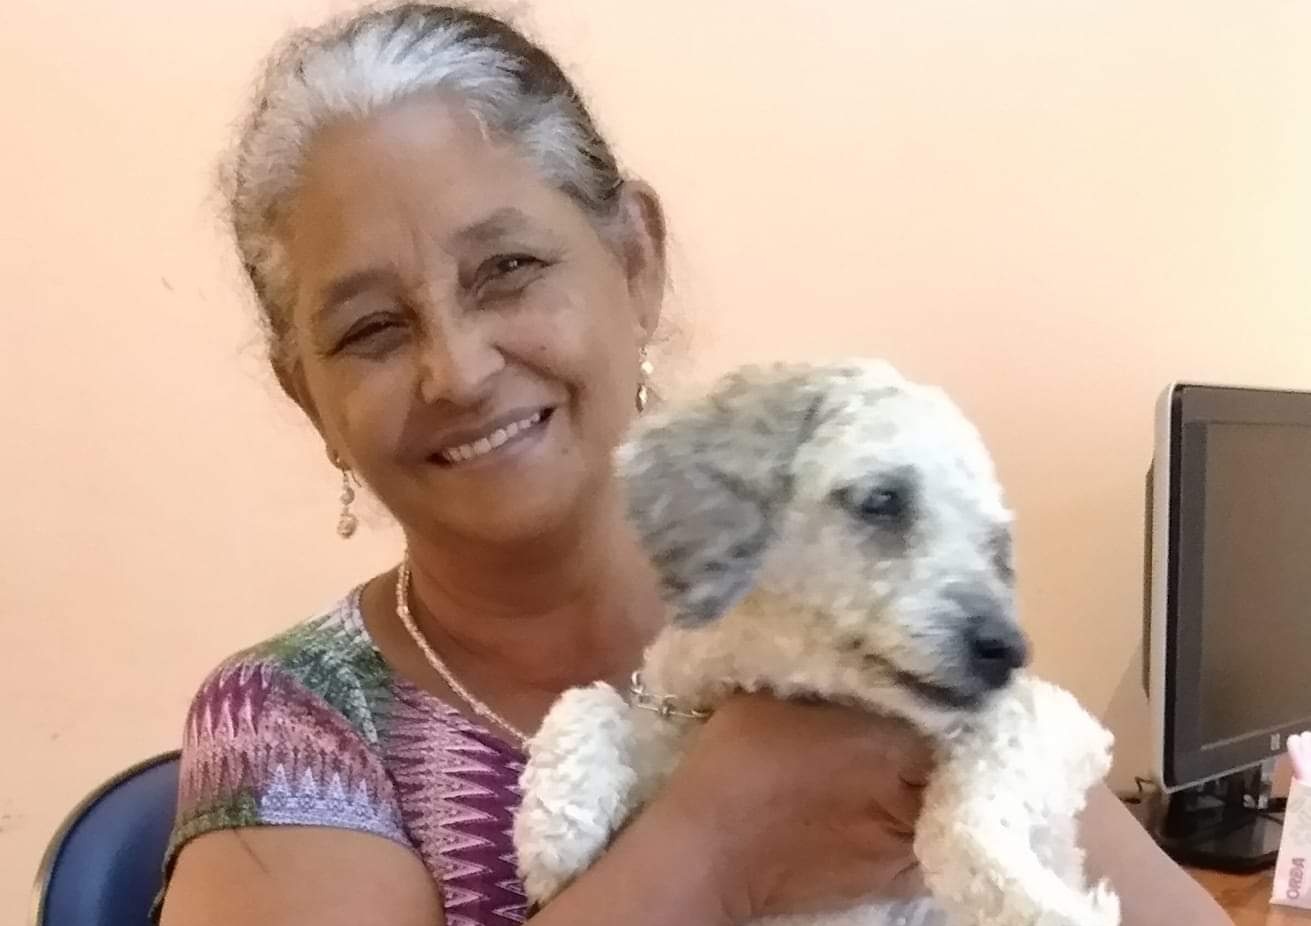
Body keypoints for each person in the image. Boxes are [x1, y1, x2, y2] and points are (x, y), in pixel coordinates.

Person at [157, 5, 1231, 925]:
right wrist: (718, 843)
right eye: (372, 329)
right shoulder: (297, 725)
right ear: (309, 396)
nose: (459, 369)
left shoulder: (845, 605)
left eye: (508, 269)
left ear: (635, 259)